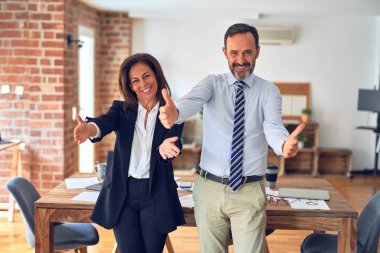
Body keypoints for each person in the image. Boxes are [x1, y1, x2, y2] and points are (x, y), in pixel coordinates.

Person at [159, 23, 305, 253]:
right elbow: (187, 105)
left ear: (258, 51)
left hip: (248, 190)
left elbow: (273, 127)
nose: (241, 59)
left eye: (247, 52)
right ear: (224, 52)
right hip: (209, 189)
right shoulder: (212, 84)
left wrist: (283, 145)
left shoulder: (268, 91)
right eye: (234, 52)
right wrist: (173, 114)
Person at [73, 53, 185, 253]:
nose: (143, 84)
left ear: (157, 75)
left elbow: (172, 147)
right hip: (123, 195)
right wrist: (89, 129)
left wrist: (165, 150)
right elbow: (104, 123)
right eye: (135, 80)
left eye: (146, 76)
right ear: (130, 86)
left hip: (156, 194)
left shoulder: (172, 112)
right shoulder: (122, 110)